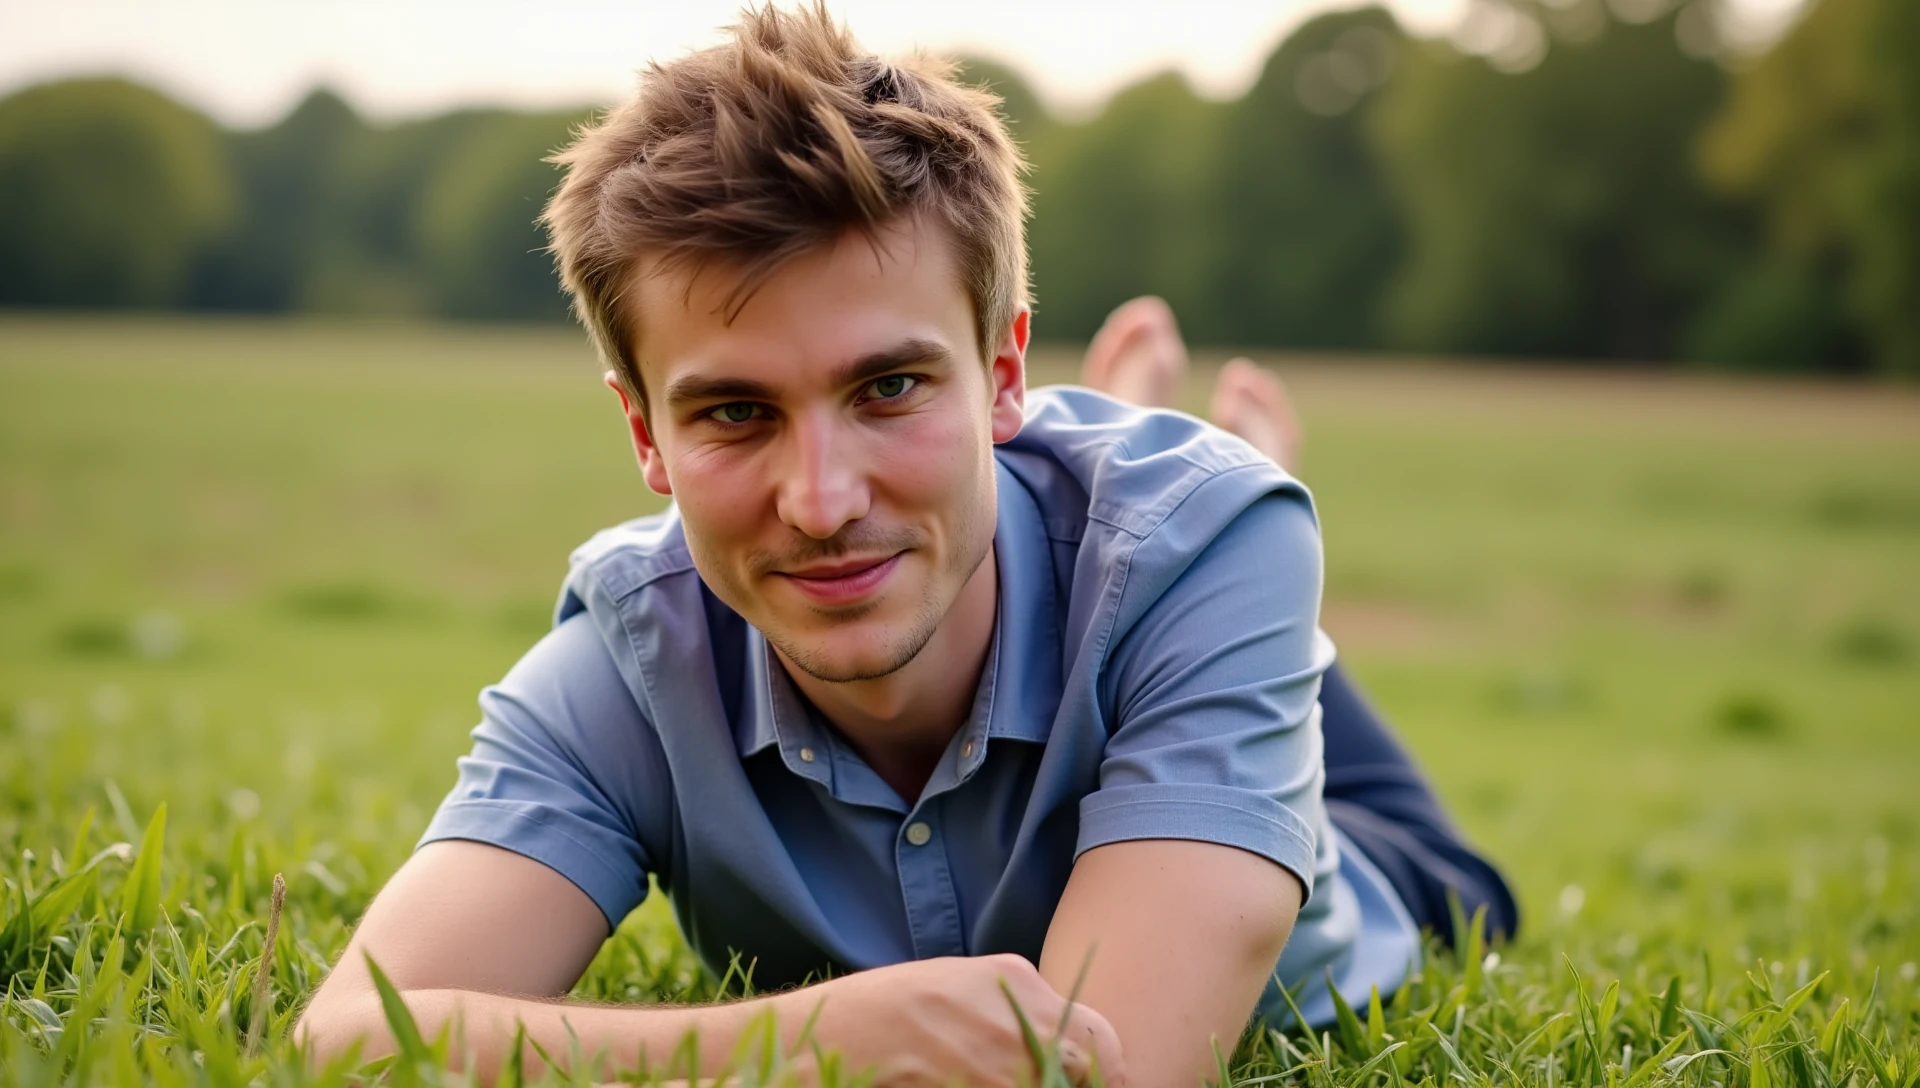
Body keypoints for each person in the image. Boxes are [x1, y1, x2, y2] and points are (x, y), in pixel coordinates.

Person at [293, 6, 1514, 1085]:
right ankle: (1135, 461)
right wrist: (829, 1038)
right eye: (734, 411)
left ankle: (1206, 480)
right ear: (644, 432)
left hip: (1374, 855)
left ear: (998, 373)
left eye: (887, 387)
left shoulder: (1193, 557)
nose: (819, 503)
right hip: (1075, 547)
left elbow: (1104, 1065)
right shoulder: (632, 650)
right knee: (1166, 558)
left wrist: (1207, 545)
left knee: (1226, 545)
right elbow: (350, 1035)